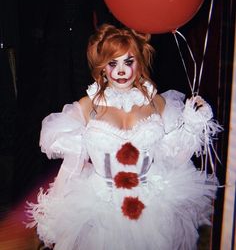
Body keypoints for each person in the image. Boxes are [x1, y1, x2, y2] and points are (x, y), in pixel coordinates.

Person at [26, 24, 222, 250]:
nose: (121, 71)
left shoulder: (156, 102)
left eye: (128, 62)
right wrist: (56, 211)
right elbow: (73, 165)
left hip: (153, 202)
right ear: (102, 68)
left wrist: (191, 124)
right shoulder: (86, 107)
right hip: (99, 205)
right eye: (113, 63)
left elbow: (174, 158)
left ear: (139, 63)